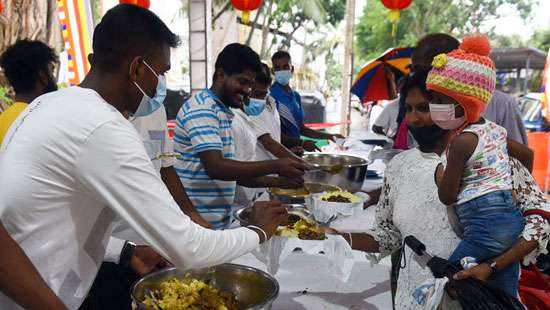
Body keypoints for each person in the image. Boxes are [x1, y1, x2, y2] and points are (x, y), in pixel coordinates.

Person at [0, 5, 286, 309]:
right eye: (160, 73)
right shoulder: (102, 126)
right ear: (137, 68)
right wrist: (258, 230)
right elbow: (189, 250)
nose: (160, 85)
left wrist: (127, 251)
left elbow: (50, 216)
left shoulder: (48, 106)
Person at [327, 71, 549, 309]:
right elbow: (388, 237)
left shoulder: (492, 159)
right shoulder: (400, 167)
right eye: (409, 109)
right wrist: (336, 237)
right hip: (414, 301)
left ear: (451, 108)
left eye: (424, 108)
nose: (414, 118)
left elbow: (540, 222)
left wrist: (492, 266)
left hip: (482, 299)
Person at [428, 35, 532, 296]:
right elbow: (527, 155)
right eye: (434, 98)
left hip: (484, 225)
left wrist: (439, 176)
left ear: (466, 103)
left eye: (441, 100)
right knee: (505, 296)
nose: (434, 107)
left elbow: (447, 196)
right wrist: (512, 186)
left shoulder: (462, 142)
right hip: (509, 217)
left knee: (450, 280)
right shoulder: (494, 131)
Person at [174, 43, 305, 229]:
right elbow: (216, 168)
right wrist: (278, 165)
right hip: (197, 224)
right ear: (221, 75)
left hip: (217, 223)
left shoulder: (224, 111)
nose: (247, 91)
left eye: (250, 85)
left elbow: (234, 175)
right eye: (242, 82)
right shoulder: (203, 108)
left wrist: (282, 182)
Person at [412, 33, 528, 145]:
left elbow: (521, 157)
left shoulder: (503, 105)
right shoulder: (409, 104)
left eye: (428, 70)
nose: (419, 77)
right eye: (414, 70)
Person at [270, 50, 344, 152]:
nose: (281, 71)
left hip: (296, 152)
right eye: (277, 68)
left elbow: (301, 128)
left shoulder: (296, 96)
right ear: (272, 71)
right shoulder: (270, 96)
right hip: (279, 155)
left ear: (292, 69)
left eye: (285, 67)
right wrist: (302, 143)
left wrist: (331, 136)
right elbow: (273, 134)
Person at [0, 39, 58, 143]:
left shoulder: (2, 121)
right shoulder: (47, 120)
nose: (54, 79)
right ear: (43, 76)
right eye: (51, 70)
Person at [250, 63, 302, 160]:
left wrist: (289, 152)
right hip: (262, 172)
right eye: (257, 93)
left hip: (276, 171)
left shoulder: (272, 102)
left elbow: (275, 137)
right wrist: (299, 161)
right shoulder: (252, 109)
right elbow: (270, 144)